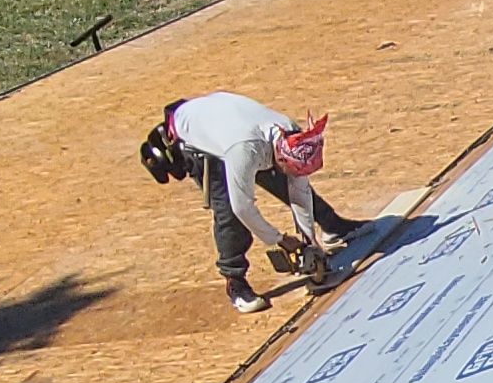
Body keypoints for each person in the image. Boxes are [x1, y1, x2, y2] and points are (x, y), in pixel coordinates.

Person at [143, 91, 360, 313]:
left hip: (228, 123)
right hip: (201, 142)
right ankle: (235, 282)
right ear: (281, 156)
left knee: (284, 181)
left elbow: (299, 191)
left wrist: (310, 243)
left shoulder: (291, 135)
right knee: (228, 212)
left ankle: (332, 227)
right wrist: (280, 240)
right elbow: (243, 208)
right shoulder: (244, 151)